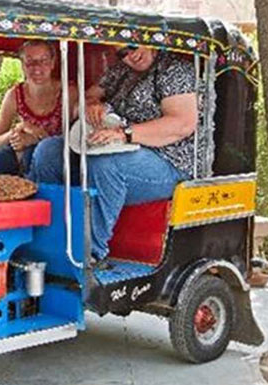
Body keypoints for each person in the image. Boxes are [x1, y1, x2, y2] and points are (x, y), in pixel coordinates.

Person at [84, 45, 198, 264]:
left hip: (168, 159)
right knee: (49, 152)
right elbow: (90, 94)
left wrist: (125, 134)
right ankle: (45, 241)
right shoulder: (120, 72)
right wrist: (93, 105)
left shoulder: (174, 70)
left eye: (133, 47)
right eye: (122, 53)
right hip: (123, 148)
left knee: (106, 164)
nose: (130, 55)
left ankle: (90, 254)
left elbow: (181, 124)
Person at [0, 40, 74, 181]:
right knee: (2, 154)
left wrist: (35, 138)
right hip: (25, 162)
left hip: (59, 165)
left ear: (53, 63)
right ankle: (14, 194)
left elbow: (70, 141)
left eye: (43, 61)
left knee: (41, 150)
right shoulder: (14, 95)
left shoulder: (68, 92)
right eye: (30, 62)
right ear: (22, 65)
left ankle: (40, 197)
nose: (37, 67)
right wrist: (19, 131)